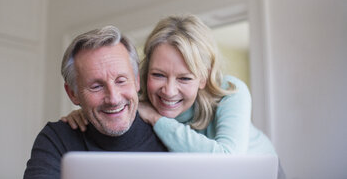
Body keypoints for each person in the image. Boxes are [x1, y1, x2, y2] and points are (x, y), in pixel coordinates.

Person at [63, 15, 276, 155]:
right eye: (158, 75)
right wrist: (84, 115)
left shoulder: (230, 91)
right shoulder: (140, 99)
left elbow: (228, 160)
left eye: (184, 78)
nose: (169, 91)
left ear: (204, 77)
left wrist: (158, 119)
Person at [23, 26, 167, 179]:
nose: (114, 99)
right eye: (96, 86)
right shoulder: (57, 138)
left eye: (121, 81)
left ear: (137, 81)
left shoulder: (171, 134)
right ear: (73, 93)